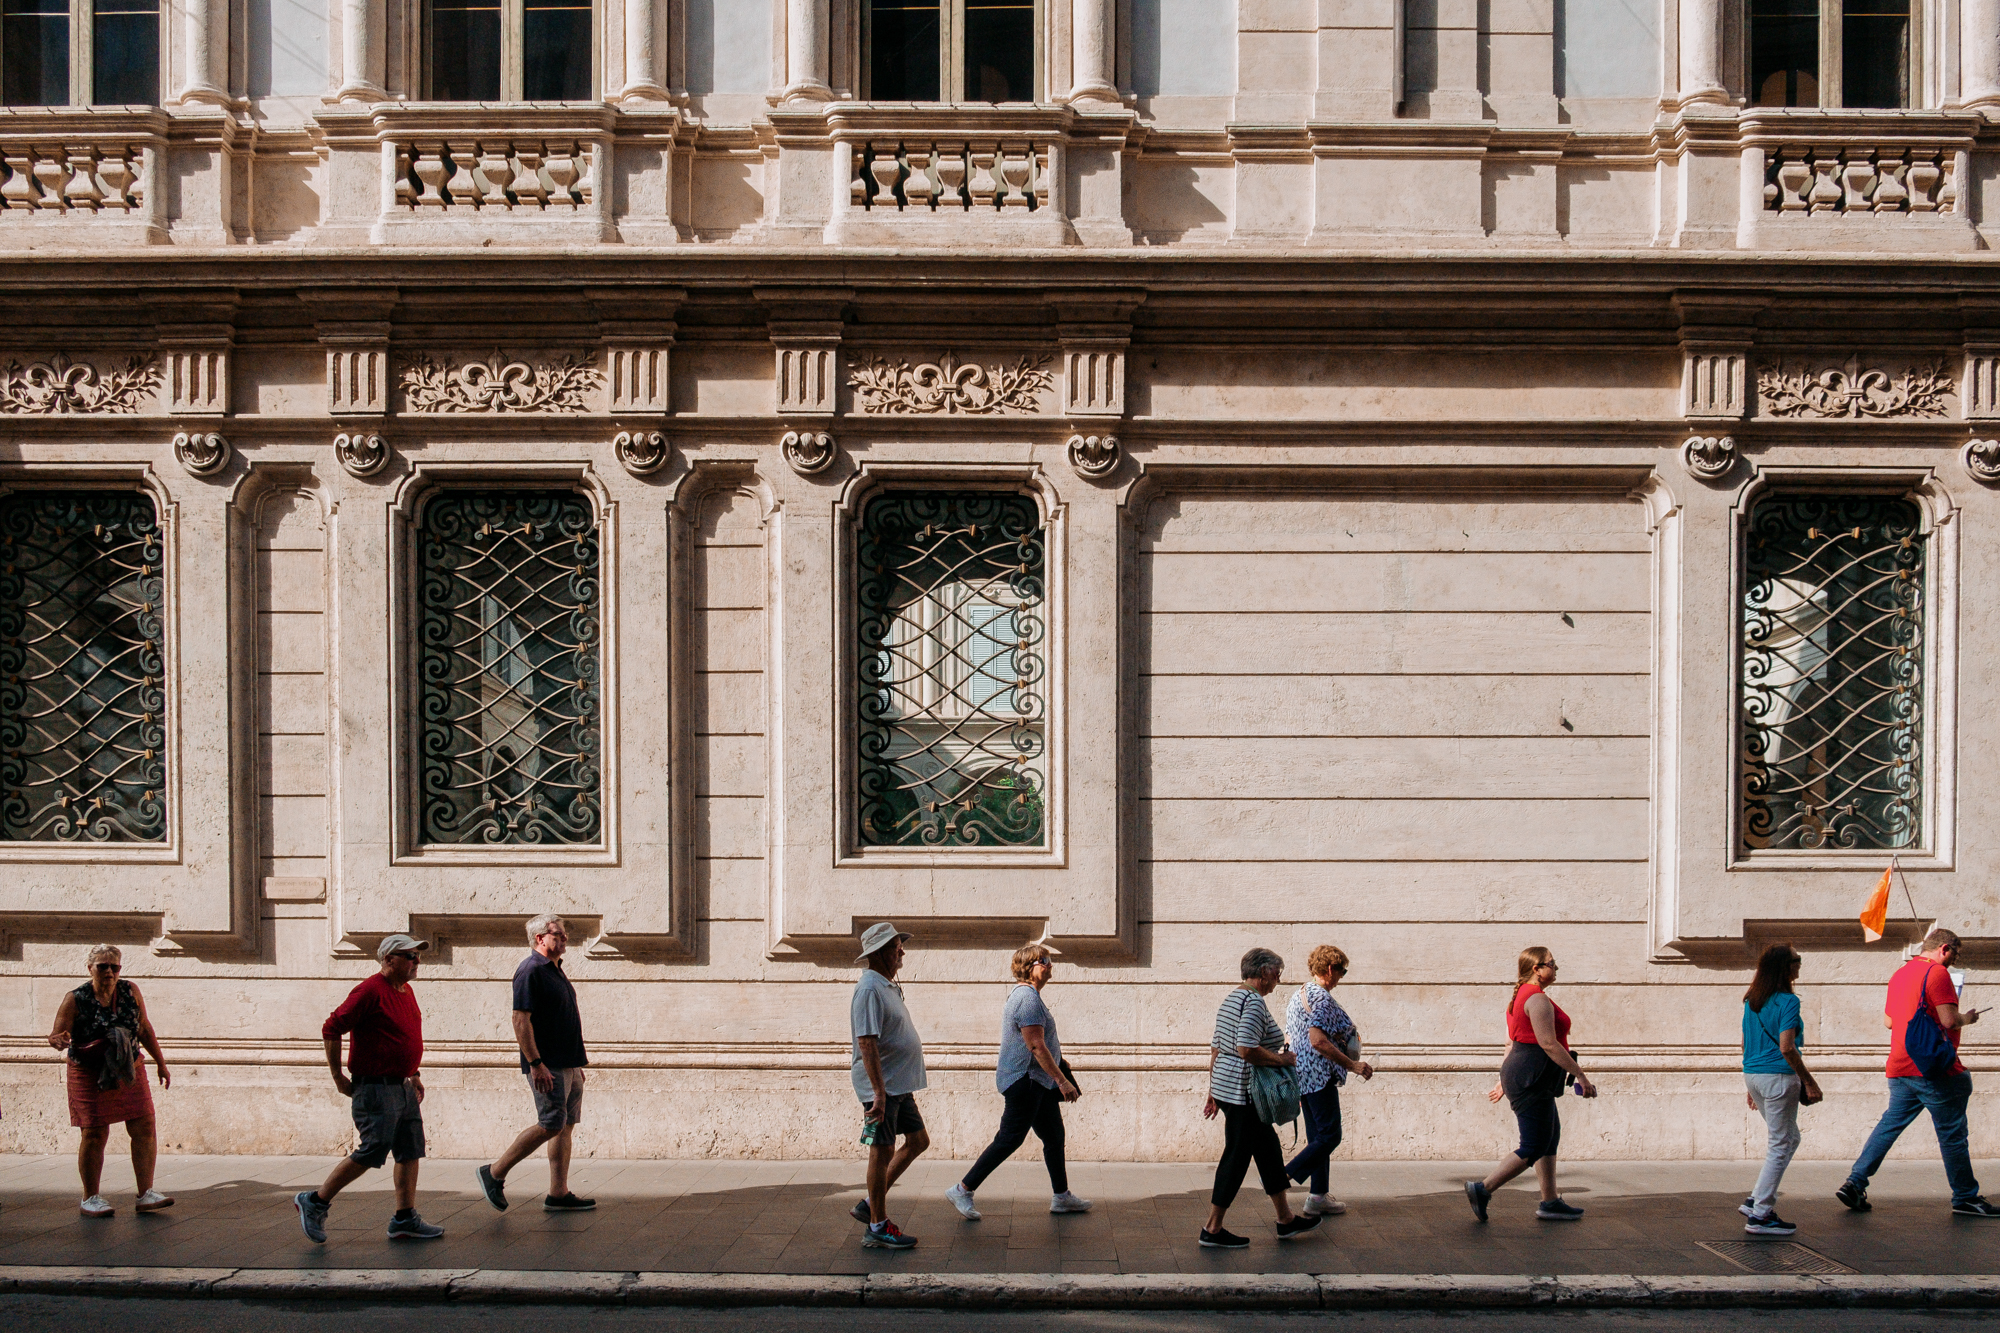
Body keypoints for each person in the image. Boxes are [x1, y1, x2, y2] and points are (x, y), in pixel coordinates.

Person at [1837, 928, 1999, 1218]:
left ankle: (1855, 1182)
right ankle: (1965, 1197)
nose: (1953, 961)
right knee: (1952, 1134)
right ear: (1945, 949)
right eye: (1955, 955)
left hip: (1900, 1064)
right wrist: (1969, 1018)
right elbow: (1950, 1021)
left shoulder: (1900, 974)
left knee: (1889, 1126)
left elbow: (1889, 1021)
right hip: (1933, 1068)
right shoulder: (1938, 974)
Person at [294, 934, 443, 1243]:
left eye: (418, 956)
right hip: (376, 1088)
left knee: (410, 1151)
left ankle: (405, 1218)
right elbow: (331, 1027)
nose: (417, 961)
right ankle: (316, 1201)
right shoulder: (369, 991)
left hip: (402, 1087)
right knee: (373, 1148)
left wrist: (413, 1073)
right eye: (410, 956)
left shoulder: (406, 991)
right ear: (388, 959)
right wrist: (337, 1077)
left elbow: (402, 1034)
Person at [946, 942, 1090, 1221]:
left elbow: (1041, 1043)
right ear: (1028, 967)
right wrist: (1063, 1081)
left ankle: (1061, 1197)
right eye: (1043, 960)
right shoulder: (1027, 998)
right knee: (1009, 1139)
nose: (1049, 965)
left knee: (1053, 1136)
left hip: (1038, 1081)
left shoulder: (1029, 996)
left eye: (1048, 959)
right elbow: (1036, 1046)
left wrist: (1058, 1067)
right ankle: (962, 1189)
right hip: (1026, 1081)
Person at [1199, 947, 1323, 1249]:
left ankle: (1285, 1219)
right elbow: (1246, 1049)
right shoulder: (1253, 1003)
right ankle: (1212, 1229)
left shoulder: (1231, 999)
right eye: (1276, 972)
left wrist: (1213, 1091)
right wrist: (1283, 1060)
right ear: (1262, 971)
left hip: (1229, 1089)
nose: (1278, 978)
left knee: (1268, 1151)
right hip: (1245, 1093)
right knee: (1237, 1157)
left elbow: (1216, 1047)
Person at [1465, 946, 1597, 1223]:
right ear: (1536, 968)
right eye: (1552, 963)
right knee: (1534, 1144)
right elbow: (1549, 1043)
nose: (1556, 968)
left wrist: (1503, 1079)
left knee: (1550, 1136)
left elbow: (1509, 1043)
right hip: (1531, 1075)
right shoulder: (1535, 999)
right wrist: (1581, 1075)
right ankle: (1483, 1188)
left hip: (1527, 1073)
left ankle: (1549, 1201)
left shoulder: (1521, 997)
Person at [478, 913, 595, 1213]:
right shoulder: (530, 970)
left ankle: (558, 1192)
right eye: (558, 933)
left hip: (567, 1063)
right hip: (547, 1064)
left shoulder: (555, 969)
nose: (565, 937)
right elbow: (520, 1019)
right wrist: (535, 1063)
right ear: (540, 938)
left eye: (565, 932)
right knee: (551, 1123)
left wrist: (574, 1064)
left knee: (565, 1125)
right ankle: (494, 1173)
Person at [45, 944, 174, 1218]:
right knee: (94, 1132)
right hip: (89, 1072)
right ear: (90, 968)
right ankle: (90, 1197)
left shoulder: (130, 991)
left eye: (114, 967)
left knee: (144, 1124)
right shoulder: (76, 998)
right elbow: (57, 1033)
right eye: (102, 966)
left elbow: (144, 1028)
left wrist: (161, 1063)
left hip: (128, 1066)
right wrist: (58, 1040)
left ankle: (145, 1193)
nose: (109, 972)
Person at [850, 922, 928, 1250]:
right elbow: (866, 1042)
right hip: (882, 1089)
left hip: (897, 1085)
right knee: (881, 1151)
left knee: (918, 1140)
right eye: (897, 946)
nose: (902, 952)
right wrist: (878, 1093)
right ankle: (877, 1226)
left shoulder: (885, 985)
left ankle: (871, 1203)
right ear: (881, 952)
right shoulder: (869, 988)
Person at [1283, 944, 1373, 1218]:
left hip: (1303, 1075)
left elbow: (1290, 1039)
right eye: (1342, 971)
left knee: (1317, 1138)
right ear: (1331, 969)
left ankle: (1318, 1196)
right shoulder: (1320, 998)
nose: (1341, 978)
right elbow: (1317, 1040)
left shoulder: (1297, 996)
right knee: (1331, 1135)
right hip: (1319, 1075)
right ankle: (1282, 1176)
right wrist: (1353, 1065)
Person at [1739, 943, 1822, 1236]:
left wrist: (1751, 1086)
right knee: (1781, 1143)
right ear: (1785, 967)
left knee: (1788, 1138)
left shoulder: (1752, 1000)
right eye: (1796, 960)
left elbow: (1745, 1042)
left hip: (1755, 1075)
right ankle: (1760, 1213)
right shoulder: (1788, 1001)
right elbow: (1787, 1047)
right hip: (1778, 1077)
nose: (1800, 964)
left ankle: (1755, 1200)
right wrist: (1809, 1081)